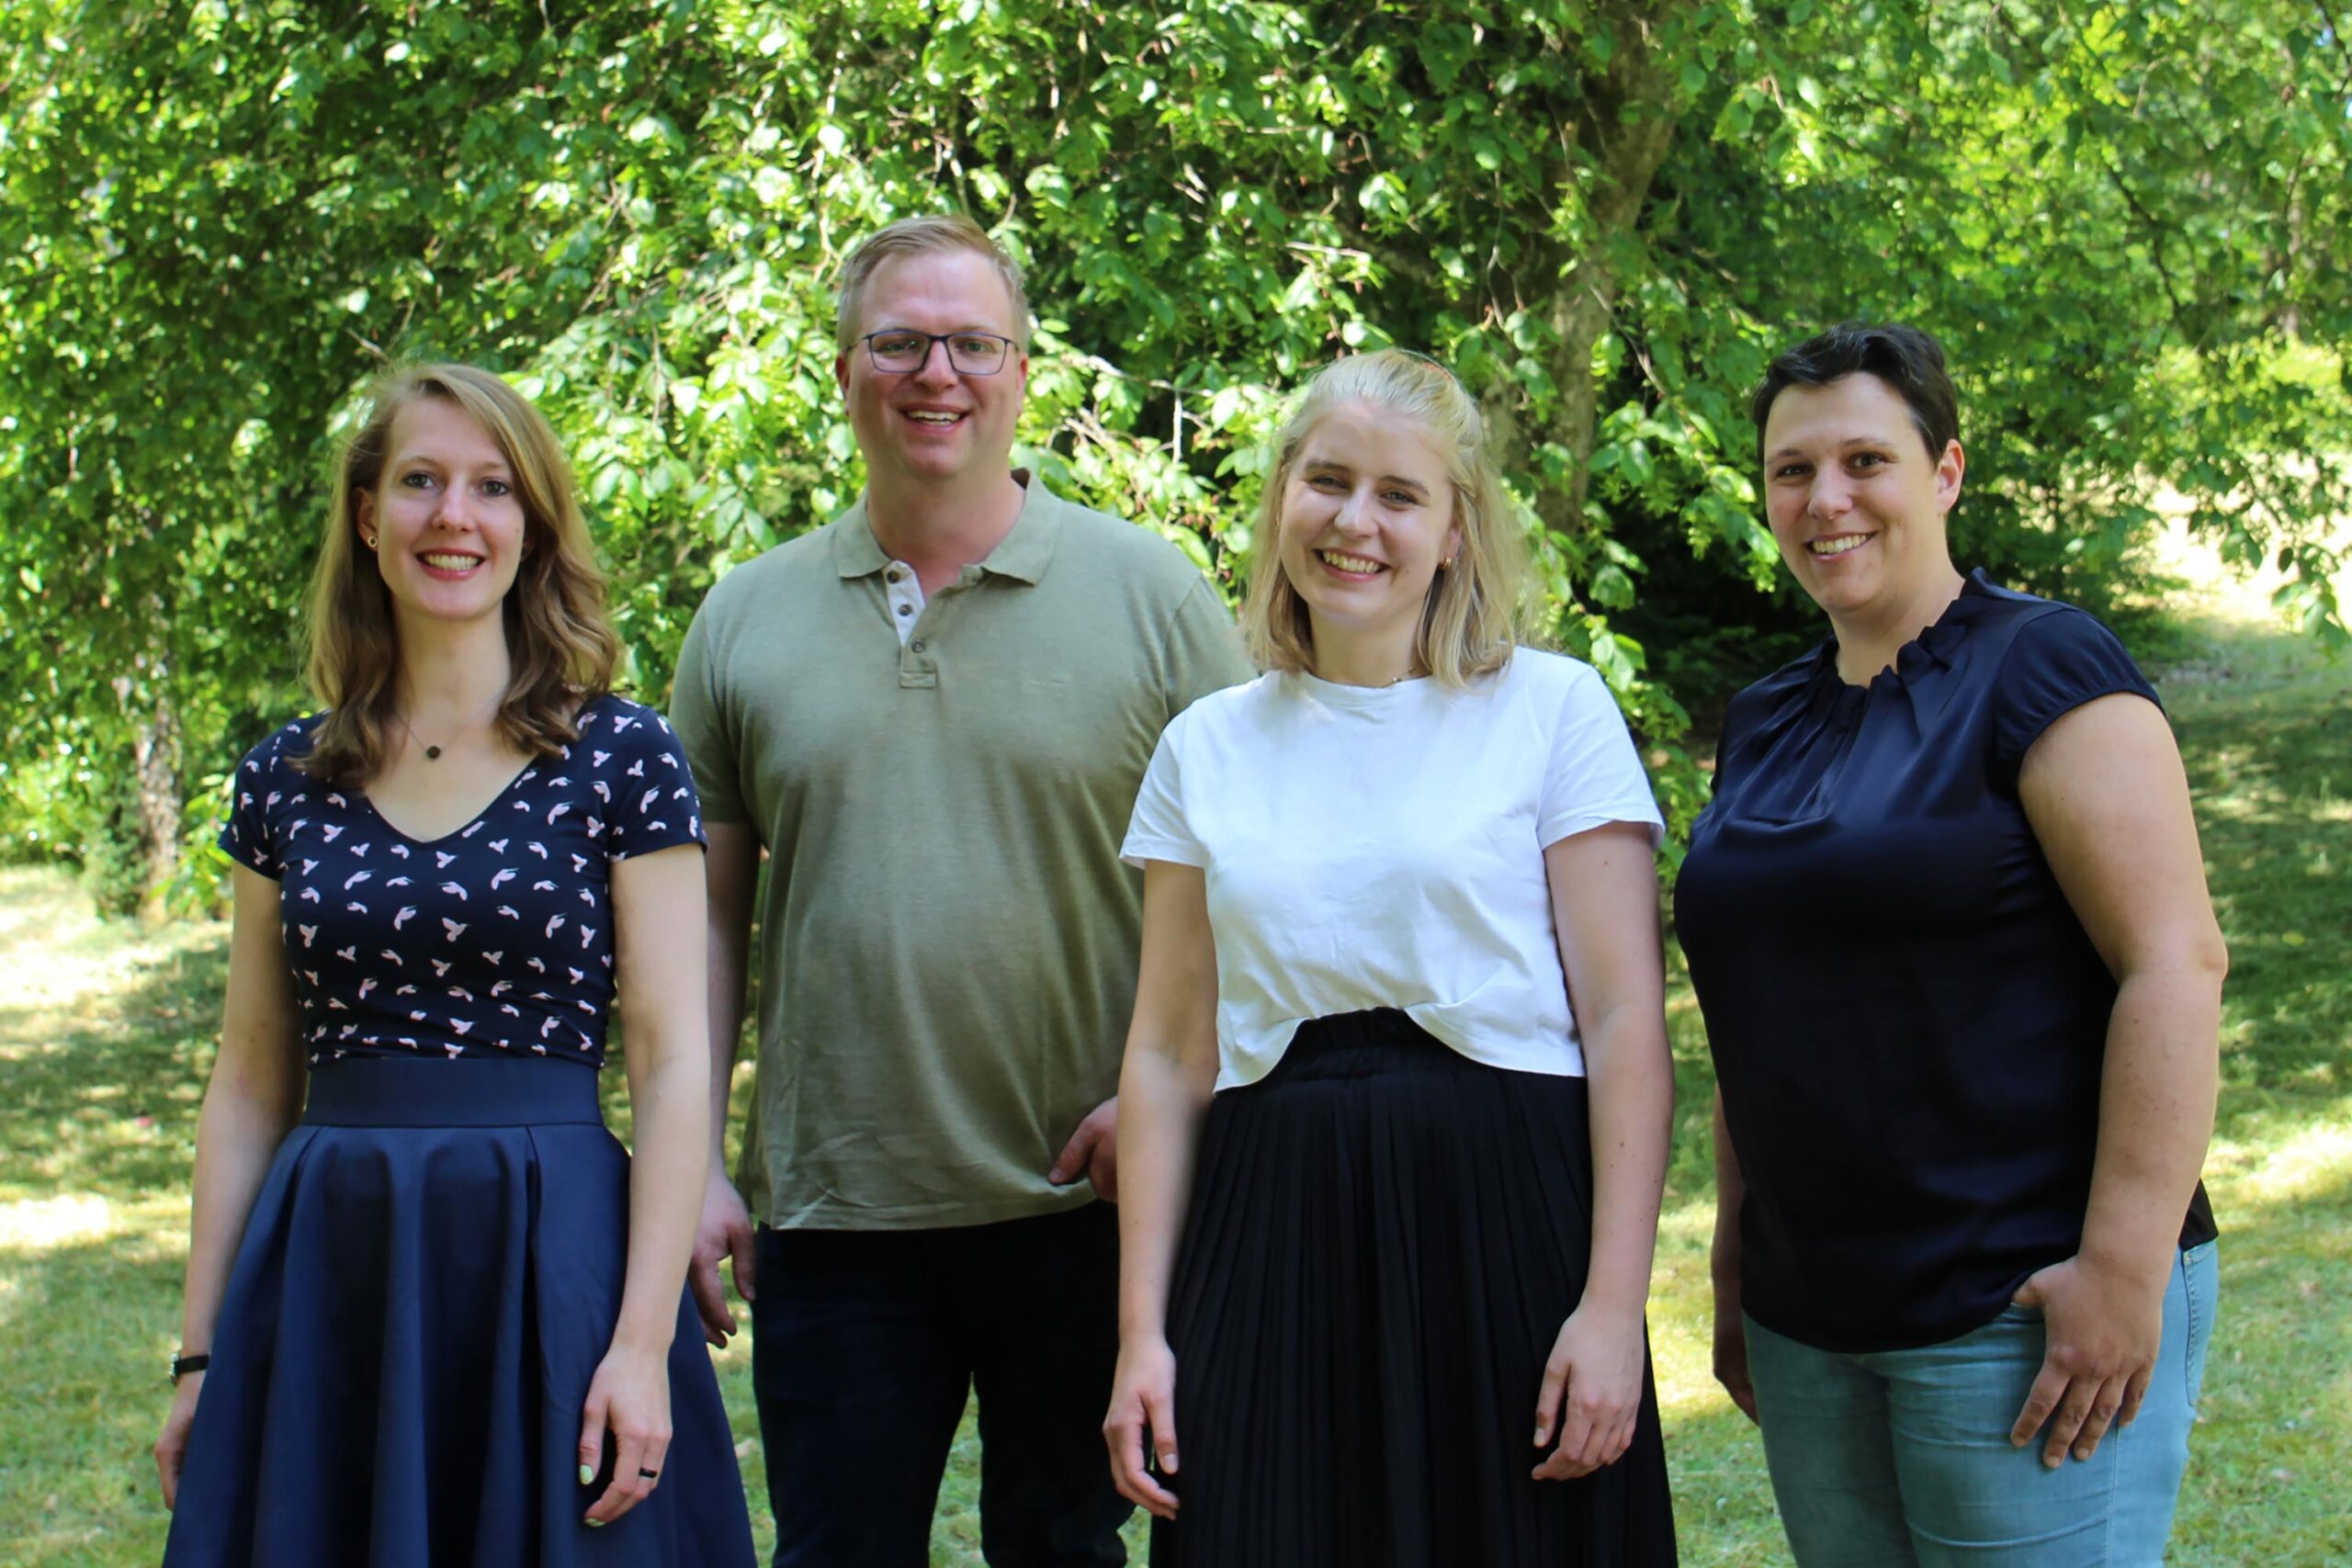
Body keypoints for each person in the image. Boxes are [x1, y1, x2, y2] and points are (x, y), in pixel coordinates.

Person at [670, 213, 1252, 1566]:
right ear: (843, 370)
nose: (939, 372)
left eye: (973, 343)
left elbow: (1254, 878)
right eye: (901, 342)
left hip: (1088, 1201)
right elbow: (700, 913)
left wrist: (1174, 1093)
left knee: (1065, 1551)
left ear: (1021, 372)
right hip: (837, 1211)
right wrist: (692, 1157)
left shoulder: (1151, 595)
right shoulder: (744, 618)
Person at [153, 364, 754, 1565]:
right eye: (420, 482)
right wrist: (202, 1352)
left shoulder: (622, 757)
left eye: (491, 488)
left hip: (555, 1258)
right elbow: (250, 1081)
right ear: (368, 517)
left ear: (529, 529)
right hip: (336, 1260)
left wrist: (640, 1341)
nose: (454, 516)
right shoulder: (286, 776)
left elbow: (676, 1058)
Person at [1103, 348, 1681, 1566]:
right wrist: (1142, 1333)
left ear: (1458, 529)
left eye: (1400, 494)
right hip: (1272, 1237)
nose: (1355, 522)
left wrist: (1613, 1309)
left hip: (1508, 1230)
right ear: (1281, 499)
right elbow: (1163, 1054)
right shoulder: (1207, 747)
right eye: (1328, 482)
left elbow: (1627, 1021)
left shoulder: (1553, 713)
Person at [1675, 322, 2224, 1564]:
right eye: (1790, 470)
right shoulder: (1767, 717)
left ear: (1947, 473)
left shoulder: (2047, 668)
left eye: (1865, 459)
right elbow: (1758, 1012)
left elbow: (2175, 964)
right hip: (1811, 1321)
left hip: (2021, 1312)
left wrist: (2122, 1270)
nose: (1825, 500)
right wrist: (1733, 1270)